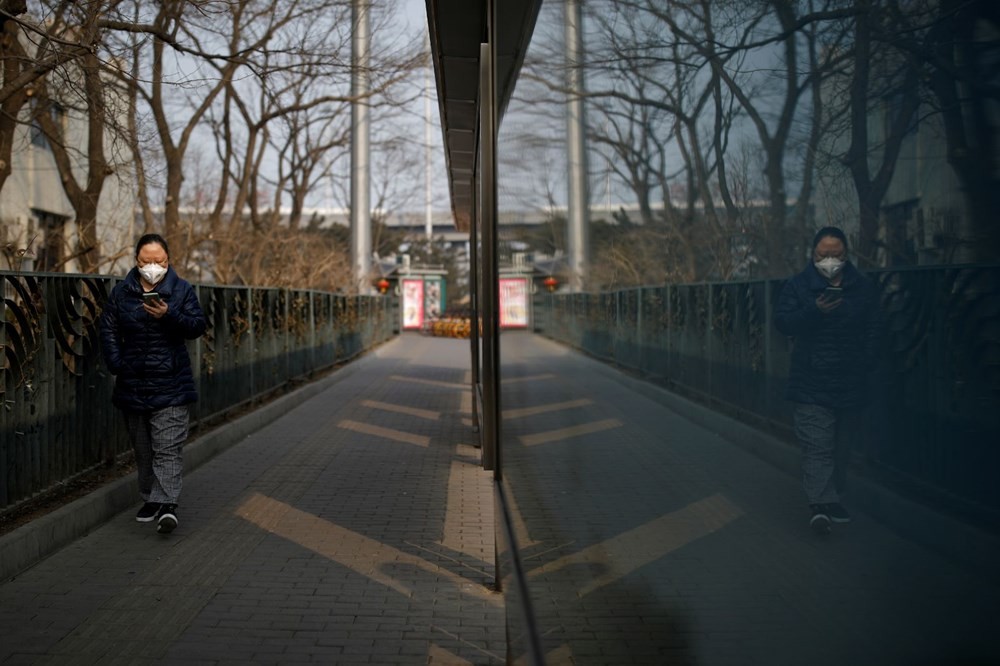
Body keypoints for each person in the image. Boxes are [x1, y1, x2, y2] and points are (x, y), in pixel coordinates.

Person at [774, 226, 881, 535]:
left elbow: (875, 327)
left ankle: (832, 497)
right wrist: (815, 310)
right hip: (811, 379)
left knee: (841, 448)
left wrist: (866, 361)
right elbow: (783, 322)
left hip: (851, 379)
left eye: (837, 254)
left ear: (846, 255)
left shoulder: (862, 288)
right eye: (824, 255)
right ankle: (820, 506)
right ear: (813, 254)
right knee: (817, 445)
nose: (830, 260)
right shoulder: (797, 286)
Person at [100, 234, 207, 534]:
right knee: (143, 448)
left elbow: (197, 325)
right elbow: (108, 328)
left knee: (168, 447)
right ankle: (150, 498)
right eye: (147, 261)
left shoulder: (182, 290)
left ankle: (167, 505)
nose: (153, 266)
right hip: (133, 382)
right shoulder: (122, 292)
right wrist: (117, 364)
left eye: (159, 261)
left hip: (171, 382)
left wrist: (168, 314)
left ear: (168, 261)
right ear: (136, 261)